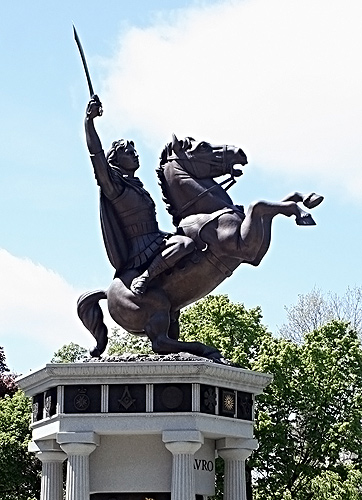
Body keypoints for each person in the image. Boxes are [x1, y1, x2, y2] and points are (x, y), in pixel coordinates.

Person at [84, 96, 195, 294]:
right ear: (116, 160)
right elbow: (97, 155)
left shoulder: (137, 186)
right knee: (185, 244)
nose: (135, 154)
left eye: (134, 151)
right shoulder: (115, 188)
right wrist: (89, 122)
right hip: (142, 249)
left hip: (157, 239)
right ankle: (144, 278)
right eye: (128, 152)